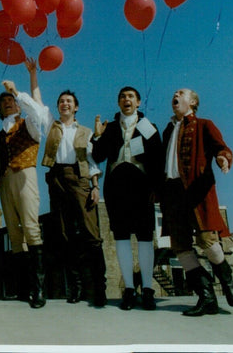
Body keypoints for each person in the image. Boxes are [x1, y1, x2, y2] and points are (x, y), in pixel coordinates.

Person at [160, 88, 233, 317]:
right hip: (172, 193)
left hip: (196, 189)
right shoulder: (168, 129)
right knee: (181, 246)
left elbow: (221, 147)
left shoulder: (204, 124)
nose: (175, 95)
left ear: (192, 102)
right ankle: (206, 297)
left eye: (181, 93)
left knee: (207, 241)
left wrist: (223, 158)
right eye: (173, 93)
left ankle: (227, 281)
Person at [92, 86, 164, 310]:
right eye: (122, 97)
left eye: (131, 97)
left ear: (139, 102)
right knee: (121, 237)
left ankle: (148, 289)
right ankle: (130, 290)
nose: (126, 100)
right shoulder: (110, 127)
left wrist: (156, 188)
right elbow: (98, 155)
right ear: (118, 102)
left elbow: (158, 158)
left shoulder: (148, 127)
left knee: (144, 236)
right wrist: (97, 136)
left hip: (141, 185)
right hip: (116, 186)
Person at [40, 88, 106, 307]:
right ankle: (75, 287)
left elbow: (91, 159)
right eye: (61, 101)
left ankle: (99, 288)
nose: (64, 104)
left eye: (68, 101)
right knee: (63, 234)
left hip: (79, 178)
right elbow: (37, 104)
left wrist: (95, 186)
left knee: (91, 233)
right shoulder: (52, 126)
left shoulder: (85, 131)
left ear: (76, 107)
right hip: (57, 177)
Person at [0, 58, 48, 309]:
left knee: (31, 227)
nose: (8, 103)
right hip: (6, 180)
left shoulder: (30, 123)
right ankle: (23, 287)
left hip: (26, 174)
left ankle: (39, 289)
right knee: (14, 234)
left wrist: (17, 90)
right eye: (4, 101)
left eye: (11, 100)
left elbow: (37, 110)